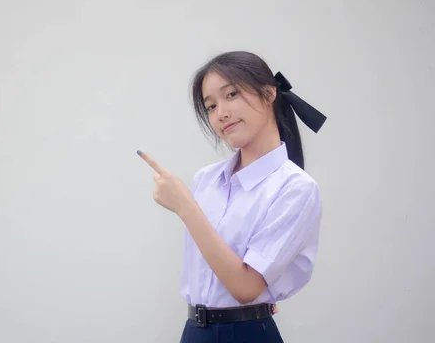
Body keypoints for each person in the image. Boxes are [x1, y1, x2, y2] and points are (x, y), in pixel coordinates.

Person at [137, 51, 326, 342]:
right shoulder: (207, 180)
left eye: (232, 94)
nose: (220, 113)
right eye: (210, 106)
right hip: (193, 332)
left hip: (246, 333)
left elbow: (246, 287)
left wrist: (185, 207)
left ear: (268, 93)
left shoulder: (296, 188)